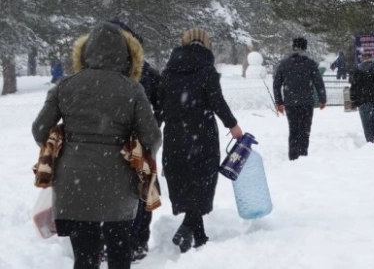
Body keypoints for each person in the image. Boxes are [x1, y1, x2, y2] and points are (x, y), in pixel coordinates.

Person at [31, 22, 162, 269]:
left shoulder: (66, 85)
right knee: (119, 250)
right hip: (119, 180)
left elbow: (40, 129)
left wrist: (63, 148)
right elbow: (152, 138)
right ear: (127, 55)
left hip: (74, 180)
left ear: (84, 53)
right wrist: (138, 153)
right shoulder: (133, 89)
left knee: (85, 256)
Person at [157, 28, 243, 253]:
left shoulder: (168, 72)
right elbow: (217, 102)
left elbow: (160, 107)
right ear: (206, 44)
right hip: (202, 134)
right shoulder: (207, 70)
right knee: (202, 182)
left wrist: (153, 131)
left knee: (184, 181)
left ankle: (200, 235)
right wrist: (232, 125)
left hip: (175, 136)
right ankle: (187, 227)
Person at [107, 19, 161, 261]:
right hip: (140, 143)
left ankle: (119, 241)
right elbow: (161, 107)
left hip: (114, 143)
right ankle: (136, 240)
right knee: (140, 192)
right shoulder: (148, 73)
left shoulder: (104, 73)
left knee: (116, 193)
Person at [273, 37, 327, 160]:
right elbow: (318, 82)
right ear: (305, 48)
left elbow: (276, 84)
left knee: (293, 131)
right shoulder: (310, 63)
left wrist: (279, 102)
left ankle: (293, 156)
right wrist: (322, 99)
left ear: (293, 47)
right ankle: (303, 155)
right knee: (305, 130)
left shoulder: (284, 64)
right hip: (306, 102)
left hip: (290, 102)